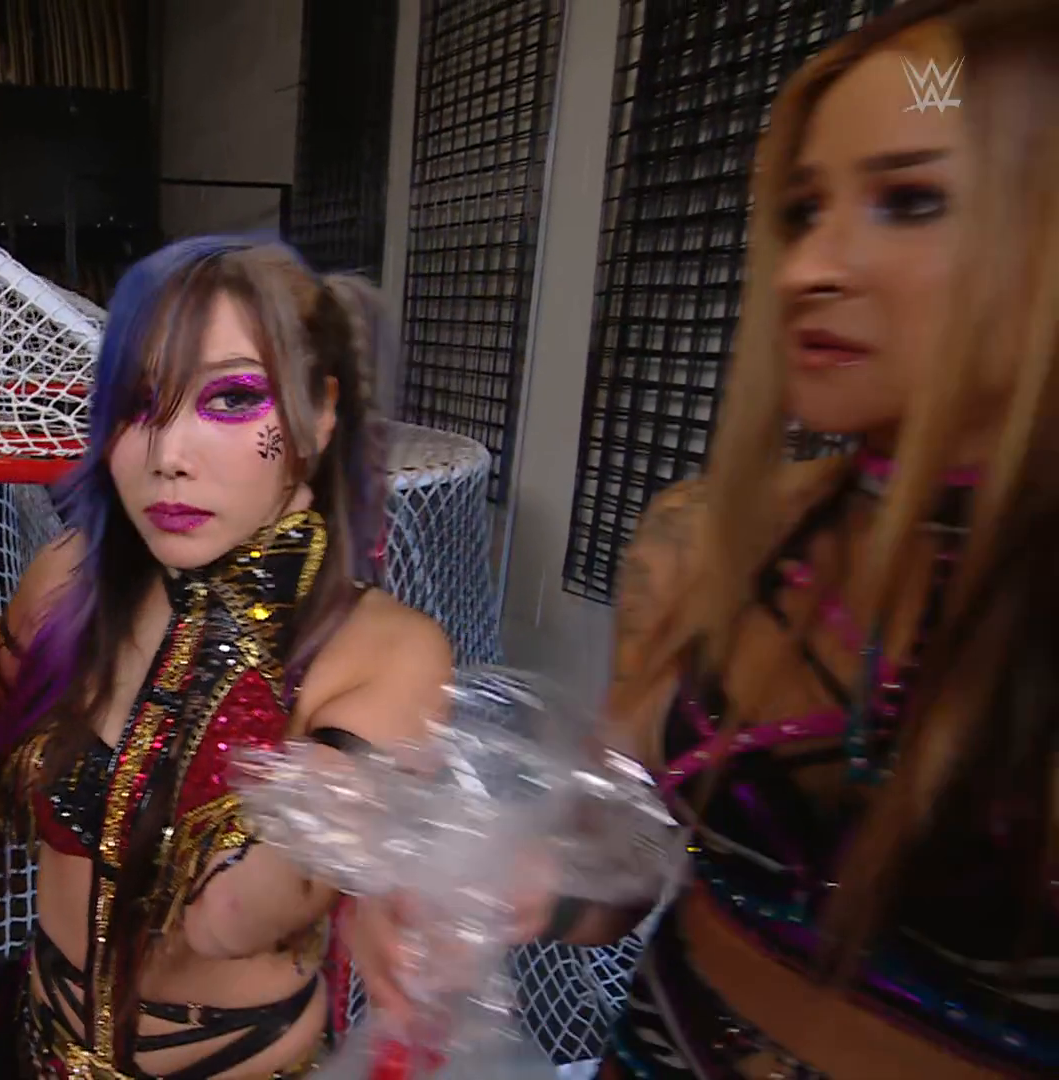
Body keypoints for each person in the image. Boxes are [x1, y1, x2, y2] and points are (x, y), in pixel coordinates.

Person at [346, 1, 1058, 1076]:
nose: (809, 267)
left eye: (909, 201)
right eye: (803, 212)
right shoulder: (710, 541)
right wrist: (484, 884)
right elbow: (626, 854)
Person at [0, 235, 456, 1078]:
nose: (168, 458)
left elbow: (230, 916)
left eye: (231, 399)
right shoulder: (69, 584)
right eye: (136, 406)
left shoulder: (385, 651)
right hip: (29, 1048)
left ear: (319, 411)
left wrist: (256, 645)